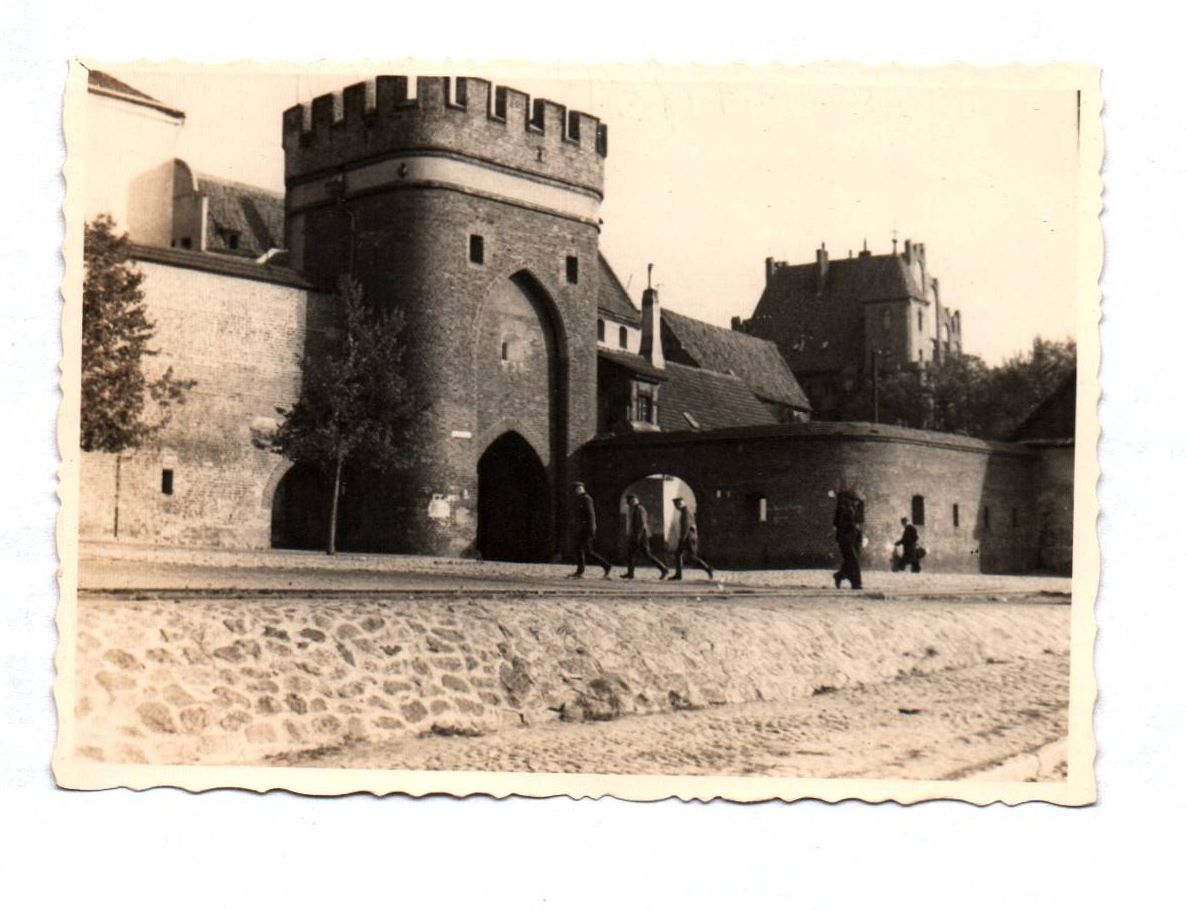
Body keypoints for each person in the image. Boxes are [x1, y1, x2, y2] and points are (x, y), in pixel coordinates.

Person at [568, 481, 611, 578]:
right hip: (581, 529)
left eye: (578, 489)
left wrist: (592, 529)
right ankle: (580, 571)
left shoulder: (586, 499)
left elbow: (591, 515)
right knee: (580, 550)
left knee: (587, 551)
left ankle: (606, 565)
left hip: (587, 529)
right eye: (576, 489)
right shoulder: (579, 499)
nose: (577, 491)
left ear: (582, 489)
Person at [621, 494, 669, 580]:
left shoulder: (639, 509)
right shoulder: (634, 509)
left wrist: (638, 537)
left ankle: (663, 569)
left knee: (646, 554)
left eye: (630, 501)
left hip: (641, 536)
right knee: (631, 554)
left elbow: (642, 524)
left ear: (634, 500)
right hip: (636, 535)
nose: (628, 503)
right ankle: (630, 573)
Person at [668, 496, 713, 581]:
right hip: (689, 537)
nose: (677, 506)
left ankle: (707, 568)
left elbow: (685, 527)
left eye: (678, 504)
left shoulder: (685, 512)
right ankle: (679, 575)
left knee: (689, 556)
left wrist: (682, 539)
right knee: (680, 554)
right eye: (676, 505)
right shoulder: (686, 511)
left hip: (687, 538)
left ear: (681, 504)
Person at [832, 492, 863, 590]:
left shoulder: (851, 508)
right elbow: (838, 522)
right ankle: (856, 583)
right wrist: (851, 526)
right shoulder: (843, 508)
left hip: (851, 538)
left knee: (850, 560)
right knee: (853, 561)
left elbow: (856, 522)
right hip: (845, 538)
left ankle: (840, 575)